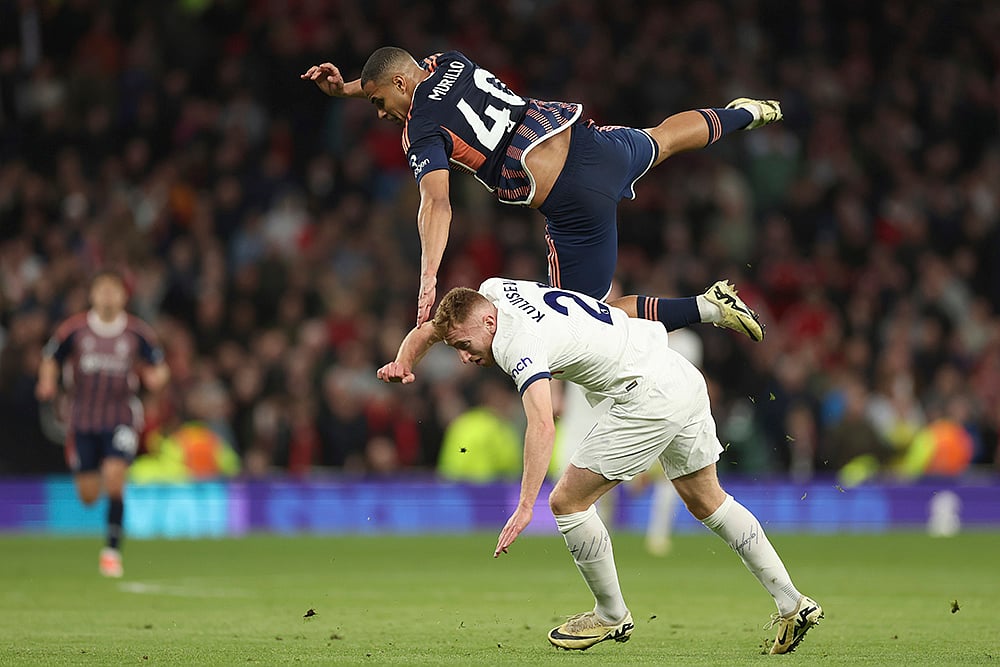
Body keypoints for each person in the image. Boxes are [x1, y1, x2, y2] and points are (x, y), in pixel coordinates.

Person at [377, 278, 822, 654]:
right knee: (708, 500)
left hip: (646, 395)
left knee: (567, 501)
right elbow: (433, 329)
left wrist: (525, 505)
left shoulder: (517, 346)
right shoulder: (492, 291)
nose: (464, 356)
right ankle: (793, 603)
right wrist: (404, 360)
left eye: (465, 345)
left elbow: (541, 425)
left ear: (489, 322)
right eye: (456, 346)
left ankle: (610, 615)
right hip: (679, 374)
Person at [302, 47, 778, 338]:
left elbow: (437, 202)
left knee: (585, 318)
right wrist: (346, 88)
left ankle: (710, 307)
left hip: (573, 204)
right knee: (664, 138)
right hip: (593, 144)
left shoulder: (420, 128)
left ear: (401, 86)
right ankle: (745, 114)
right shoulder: (446, 60)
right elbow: (395, 71)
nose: (382, 113)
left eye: (379, 102)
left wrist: (428, 275)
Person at [36, 270, 170, 577]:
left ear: (124, 296)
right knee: (88, 495)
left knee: (114, 478)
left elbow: (159, 367)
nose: (108, 295)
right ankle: (84, 464)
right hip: (83, 418)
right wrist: (47, 381)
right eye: (102, 289)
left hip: (121, 416)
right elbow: (50, 357)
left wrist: (155, 379)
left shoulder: (137, 332)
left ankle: (111, 551)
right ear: (93, 295)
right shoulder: (75, 329)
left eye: (114, 290)